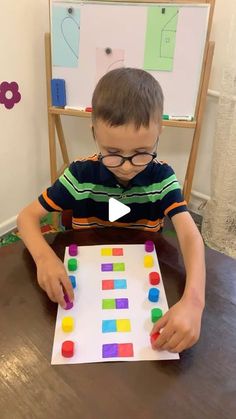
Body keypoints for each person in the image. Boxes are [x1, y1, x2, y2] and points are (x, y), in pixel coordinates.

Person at [17, 68, 205, 353]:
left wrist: (194, 301)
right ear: (94, 133)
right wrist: (44, 258)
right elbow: (26, 217)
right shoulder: (80, 175)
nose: (128, 166)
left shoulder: (162, 178)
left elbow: (190, 236)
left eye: (142, 151)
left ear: (159, 133)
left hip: (140, 281)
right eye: (113, 153)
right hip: (88, 282)